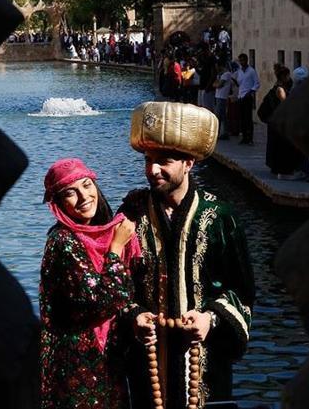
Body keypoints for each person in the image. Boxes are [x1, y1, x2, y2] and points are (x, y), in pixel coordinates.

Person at [119, 102, 255, 409]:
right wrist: (133, 314)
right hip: (147, 359)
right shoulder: (131, 213)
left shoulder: (219, 217)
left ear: (189, 163)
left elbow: (243, 291)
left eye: (163, 160)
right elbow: (116, 281)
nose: (152, 170)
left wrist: (211, 319)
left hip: (204, 361)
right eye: (148, 160)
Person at [39, 158, 142, 409]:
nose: (84, 197)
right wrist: (116, 249)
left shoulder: (102, 232)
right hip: (76, 364)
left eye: (87, 185)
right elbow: (102, 299)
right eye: (70, 193)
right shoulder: (64, 242)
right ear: (58, 203)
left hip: (108, 357)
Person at [263, 64, 307, 180]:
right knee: (285, 148)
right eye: (288, 76)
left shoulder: (277, 87)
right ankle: (285, 173)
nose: (289, 79)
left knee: (278, 147)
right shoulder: (280, 89)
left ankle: (278, 170)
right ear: (284, 76)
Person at [234, 53, 260, 145]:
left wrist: (250, 92)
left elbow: (257, 83)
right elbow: (239, 83)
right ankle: (244, 137)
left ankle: (250, 138)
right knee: (242, 118)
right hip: (241, 96)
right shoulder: (239, 71)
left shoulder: (252, 71)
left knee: (248, 118)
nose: (242, 62)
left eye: (243, 60)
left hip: (247, 97)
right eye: (240, 61)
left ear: (247, 60)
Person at [213, 60, 233, 140]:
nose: (216, 68)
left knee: (218, 115)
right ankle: (225, 132)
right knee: (223, 115)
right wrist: (216, 84)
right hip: (218, 96)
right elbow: (215, 83)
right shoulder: (220, 75)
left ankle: (219, 133)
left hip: (222, 97)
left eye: (216, 66)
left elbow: (219, 85)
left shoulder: (226, 74)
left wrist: (216, 84)